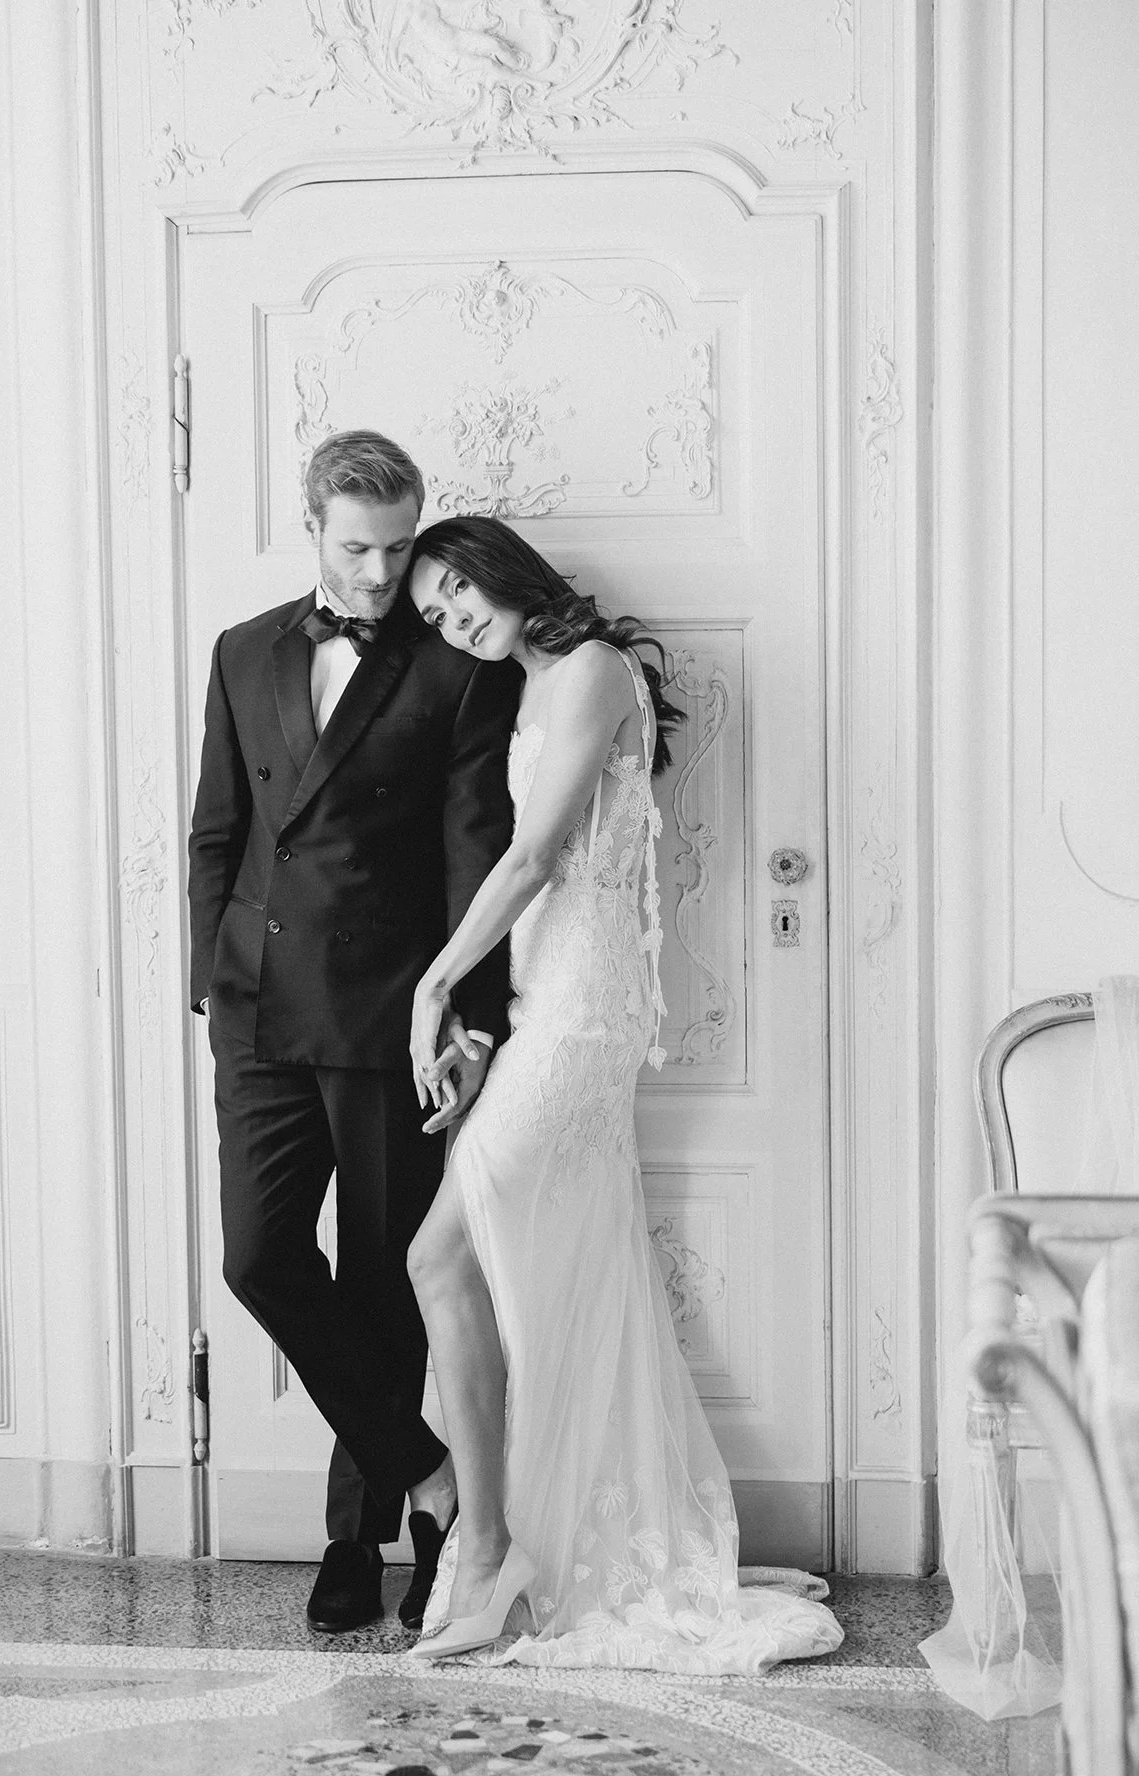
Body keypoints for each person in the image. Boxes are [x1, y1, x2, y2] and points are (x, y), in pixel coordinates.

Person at [403, 515, 844, 1669]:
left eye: (457, 591)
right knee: (512, 1267)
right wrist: (487, 1016)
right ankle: (537, 1539)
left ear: (499, 566)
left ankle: (490, 1553)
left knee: (440, 1258)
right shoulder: (536, 682)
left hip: (585, 1013)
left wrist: (436, 988)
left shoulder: (591, 668)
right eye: (434, 615)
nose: (453, 620)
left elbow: (536, 857)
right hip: (551, 1004)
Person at [187, 433, 518, 1636]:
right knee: (260, 1259)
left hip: (393, 1015)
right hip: (258, 1010)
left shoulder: (459, 666)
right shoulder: (243, 649)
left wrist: (471, 1025)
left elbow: (477, 855)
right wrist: (209, 982)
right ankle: (429, 1480)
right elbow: (217, 830)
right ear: (313, 527)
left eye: (398, 547)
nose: (381, 575)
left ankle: (363, 1540)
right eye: (358, 549)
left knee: (385, 1282)